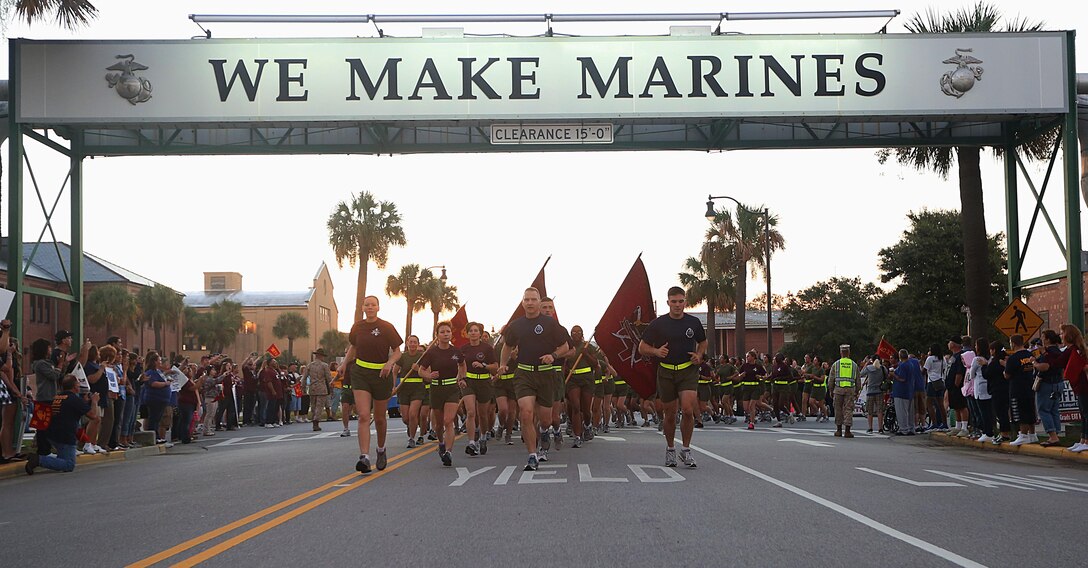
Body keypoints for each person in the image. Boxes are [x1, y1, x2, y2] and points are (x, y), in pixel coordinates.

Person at [500, 287, 571, 471]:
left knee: (545, 419)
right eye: (527, 300)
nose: (530, 303)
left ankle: (544, 431)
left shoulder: (550, 324)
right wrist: (502, 364)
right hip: (524, 373)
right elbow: (507, 347)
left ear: (539, 302)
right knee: (526, 413)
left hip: (546, 374)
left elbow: (565, 347)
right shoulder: (516, 326)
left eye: (533, 299)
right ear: (522, 303)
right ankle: (532, 455)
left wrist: (553, 356)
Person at [638, 286, 707, 468]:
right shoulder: (658, 324)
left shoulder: (693, 322)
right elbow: (642, 347)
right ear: (668, 302)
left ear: (685, 302)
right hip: (666, 371)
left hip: (688, 370)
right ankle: (670, 449)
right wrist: (655, 351)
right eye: (674, 301)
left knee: (687, 410)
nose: (677, 305)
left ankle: (686, 449)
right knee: (670, 414)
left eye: (681, 301)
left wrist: (699, 356)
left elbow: (703, 341)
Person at [346, 295, 402, 474]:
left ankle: (380, 449)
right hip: (361, 372)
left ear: (378, 307)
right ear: (362, 307)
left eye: (373, 305)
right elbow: (353, 348)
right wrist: (343, 364)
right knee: (363, 415)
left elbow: (397, 351)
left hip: (381, 374)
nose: (370, 307)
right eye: (367, 305)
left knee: (379, 418)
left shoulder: (387, 327)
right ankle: (364, 457)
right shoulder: (357, 327)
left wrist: (389, 363)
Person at [25, 375, 100, 475]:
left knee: (63, 458)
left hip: (52, 434)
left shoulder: (57, 397)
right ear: (74, 387)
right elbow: (93, 416)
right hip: (65, 436)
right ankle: (39, 460)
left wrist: (84, 402)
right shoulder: (74, 399)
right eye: (78, 384)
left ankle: (39, 458)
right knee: (69, 465)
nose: (79, 386)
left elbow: (69, 409)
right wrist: (94, 401)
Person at [419, 321, 465, 466]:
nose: (446, 334)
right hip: (436, 389)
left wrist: (462, 377)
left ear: (451, 333)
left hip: (452, 388)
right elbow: (421, 370)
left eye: (448, 332)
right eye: (442, 332)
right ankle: (441, 443)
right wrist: (428, 375)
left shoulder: (456, 352)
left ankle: (449, 452)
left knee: (448, 420)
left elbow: (463, 364)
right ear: (437, 335)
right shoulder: (431, 352)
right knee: (439, 425)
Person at [460, 322, 497, 456]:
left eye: (476, 331)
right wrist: (461, 379)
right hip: (469, 382)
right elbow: (459, 365)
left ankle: (482, 436)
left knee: (483, 414)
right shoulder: (463, 349)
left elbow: (495, 367)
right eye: (471, 331)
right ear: (467, 333)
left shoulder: (487, 348)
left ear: (480, 333)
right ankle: (471, 442)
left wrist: (484, 365)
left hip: (484, 382)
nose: (473, 333)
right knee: (470, 412)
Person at [1031, 329, 1065, 447]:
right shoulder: (1059, 352)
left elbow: (1045, 367)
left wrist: (1034, 363)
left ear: (1048, 339)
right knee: (1054, 409)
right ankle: (1056, 433)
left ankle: (1052, 436)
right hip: (1058, 383)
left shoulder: (1048, 353)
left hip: (1046, 383)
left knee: (1044, 410)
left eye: (1043, 338)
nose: (1042, 340)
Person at [1059, 324, 1088, 452]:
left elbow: (1073, 369)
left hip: (1083, 385)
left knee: (1086, 413)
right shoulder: (1076, 350)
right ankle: (1083, 440)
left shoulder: (1076, 351)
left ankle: (1086, 441)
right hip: (1079, 385)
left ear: (1068, 335)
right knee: (1083, 413)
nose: (1061, 335)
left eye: (1062, 333)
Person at [1005, 334, 1039, 446]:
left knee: (1020, 411)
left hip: (1017, 388)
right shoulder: (1030, 355)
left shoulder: (1013, 358)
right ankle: (1032, 435)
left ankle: (1023, 435)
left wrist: (1003, 367)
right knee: (1030, 410)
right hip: (1029, 386)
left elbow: (1007, 375)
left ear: (1013, 343)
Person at [393, 336, 426, 446]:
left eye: (415, 342)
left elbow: (428, 374)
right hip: (404, 389)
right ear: (407, 343)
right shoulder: (403, 357)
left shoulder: (422, 357)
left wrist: (418, 370)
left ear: (418, 344)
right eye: (411, 342)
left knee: (413, 414)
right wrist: (393, 386)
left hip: (417, 388)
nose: (412, 344)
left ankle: (411, 438)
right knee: (406, 418)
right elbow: (394, 372)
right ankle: (410, 425)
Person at [830, 344, 860, 438]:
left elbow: (831, 379)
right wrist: (857, 391)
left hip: (838, 389)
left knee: (838, 409)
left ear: (841, 352)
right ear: (849, 352)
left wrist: (831, 390)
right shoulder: (854, 365)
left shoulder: (836, 364)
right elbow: (858, 380)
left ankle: (838, 430)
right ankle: (847, 431)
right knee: (848, 409)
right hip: (850, 390)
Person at [892, 349, 922, 436]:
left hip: (901, 391)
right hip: (909, 391)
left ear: (900, 356)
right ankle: (910, 428)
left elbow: (902, 378)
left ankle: (903, 429)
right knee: (910, 412)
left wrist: (893, 374)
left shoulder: (903, 365)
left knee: (902, 412)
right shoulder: (911, 364)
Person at [945, 336, 970, 436]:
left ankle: (964, 427)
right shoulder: (953, 356)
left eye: (949, 342)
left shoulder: (960, 356)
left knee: (961, 406)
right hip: (950, 386)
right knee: (955, 406)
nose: (948, 344)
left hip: (957, 386)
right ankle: (957, 426)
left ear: (954, 344)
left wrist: (956, 384)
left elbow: (959, 372)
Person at [306, 349, 333, 431]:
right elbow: (328, 378)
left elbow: (304, 377)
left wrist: (303, 387)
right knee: (319, 406)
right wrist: (331, 387)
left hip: (312, 387)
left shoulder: (310, 365)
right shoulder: (324, 365)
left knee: (313, 406)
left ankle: (314, 418)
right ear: (321, 356)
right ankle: (316, 420)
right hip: (321, 387)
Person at [922, 344, 948, 431]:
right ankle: (944, 423)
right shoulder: (942, 358)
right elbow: (944, 368)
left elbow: (924, 370)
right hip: (940, 381)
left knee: (929, 403)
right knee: (940, 404)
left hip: (931, 382)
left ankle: (934, 423)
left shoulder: (930, 359)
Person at [859, 355, 886, 434]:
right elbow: (886, 375)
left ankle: (870, 428)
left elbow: (861, 373)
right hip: (879, 390)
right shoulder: (883, 368)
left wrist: (866, 363)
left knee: (870, 411)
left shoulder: (869, 368)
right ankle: (880, 428)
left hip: (870, 391)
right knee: (880, 410)